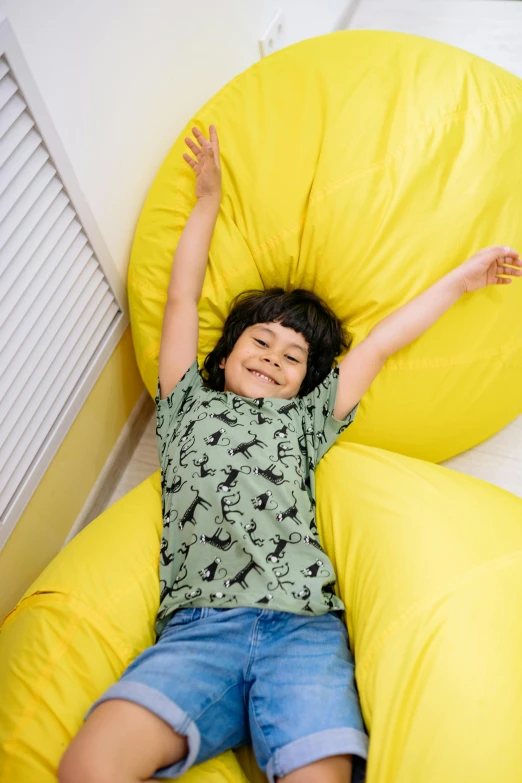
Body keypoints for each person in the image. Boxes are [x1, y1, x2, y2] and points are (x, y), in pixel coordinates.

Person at [59, 125, 521, 783]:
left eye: (293, 356)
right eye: (262, 341)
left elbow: (382, 343)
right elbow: (183, 296)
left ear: (308, 381)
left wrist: (463, 279)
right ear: (222, 357)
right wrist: (209, 199)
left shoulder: (307, 422)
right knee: (87, 765)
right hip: (198, 630)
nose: (274, 357)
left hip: (302, 631)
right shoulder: (185, 400)